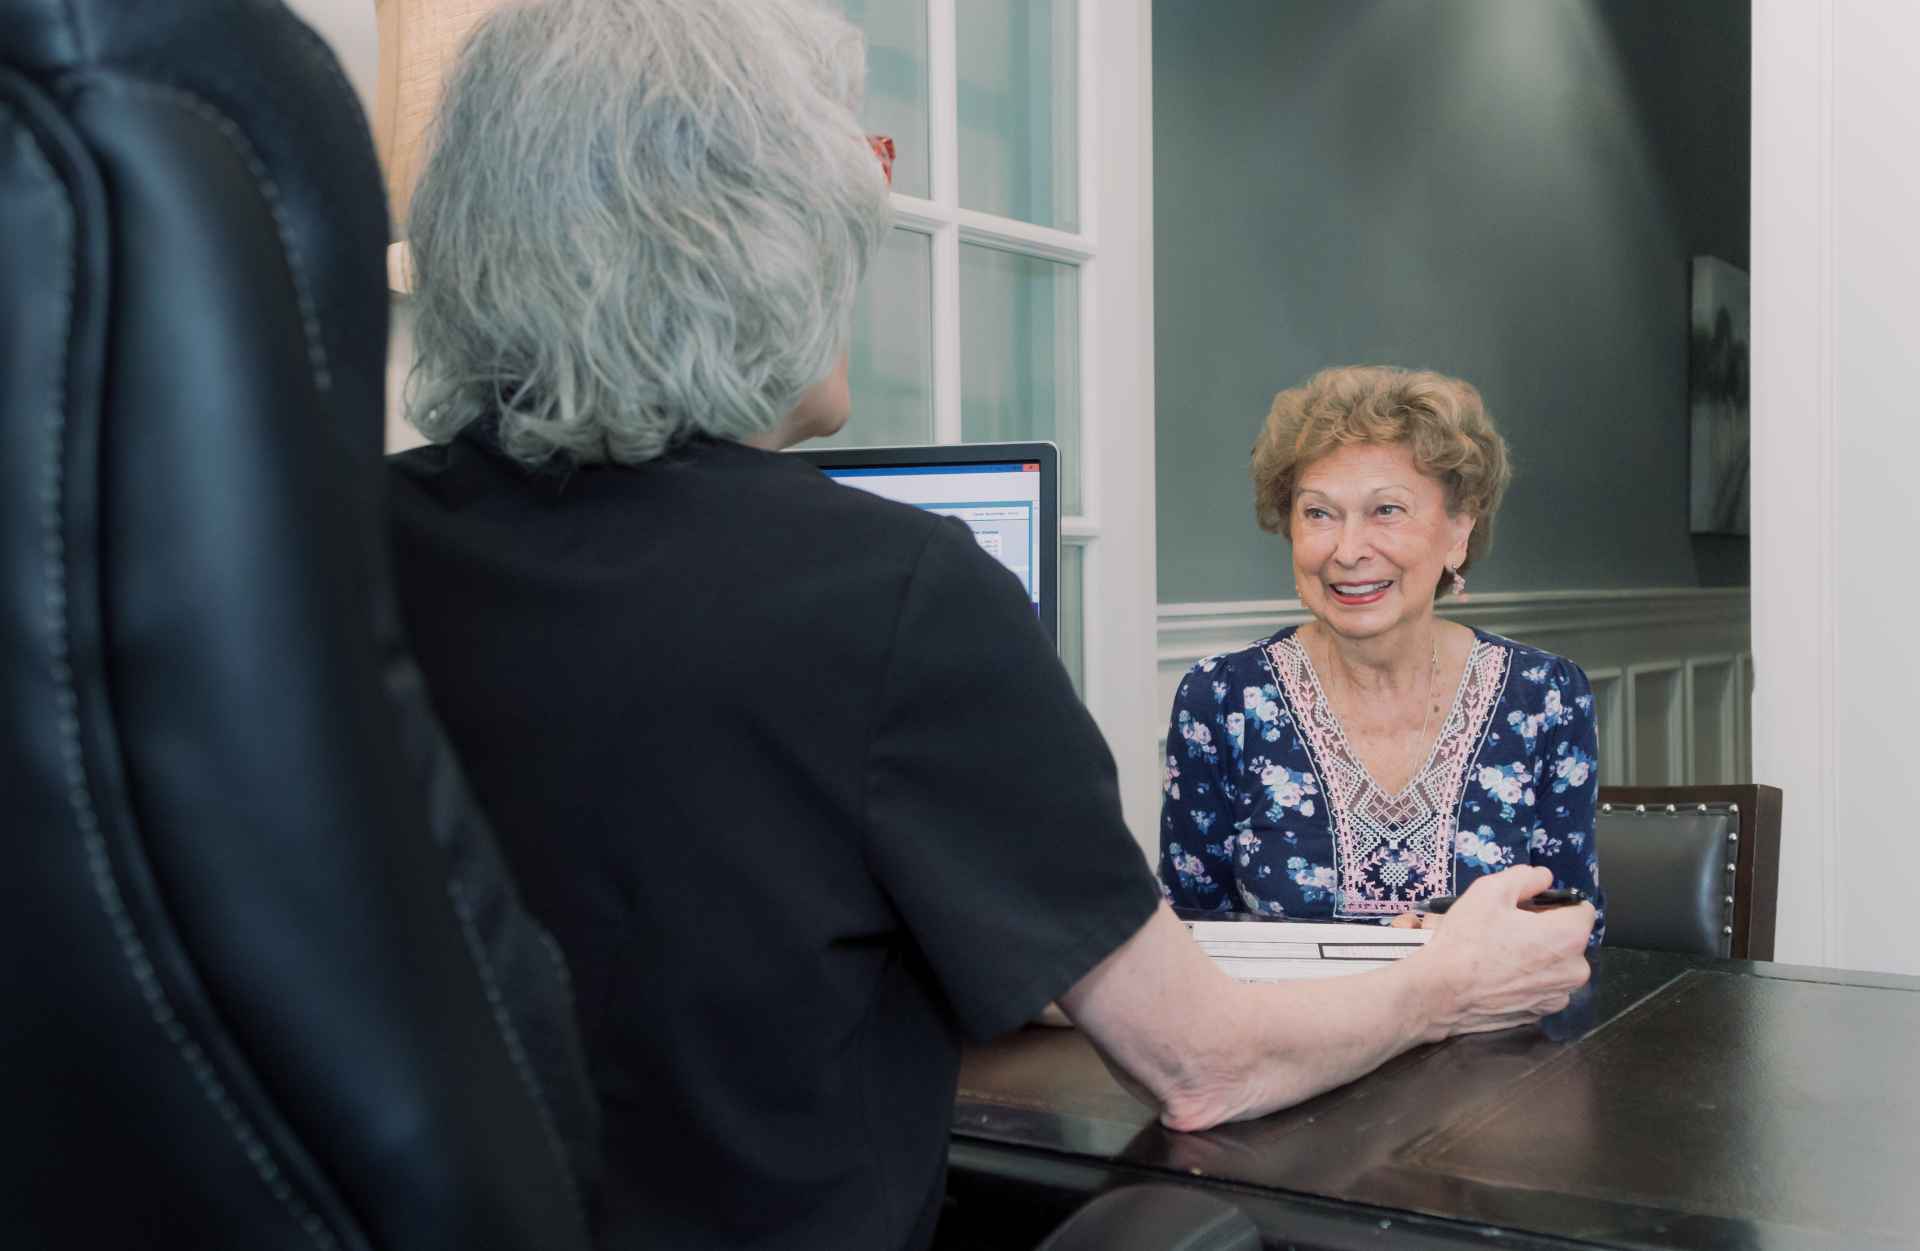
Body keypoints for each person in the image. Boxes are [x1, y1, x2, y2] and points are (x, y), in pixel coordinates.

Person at [385, 4, 1596, 1249]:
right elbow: (1201, 1066)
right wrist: (1445, 983)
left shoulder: (344, 541)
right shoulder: (890, 591)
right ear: (766, 244)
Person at [1160, 366, 1605, 941]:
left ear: (1458, 531)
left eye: (1386, 511)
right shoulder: (1221, 699)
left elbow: (1577, 930)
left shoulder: (1547, 696)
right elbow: (1186, 937)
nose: (1347, 551)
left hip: (1488, 1027)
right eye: (1318, 513)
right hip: (1288, 1027)